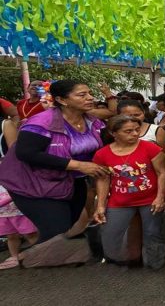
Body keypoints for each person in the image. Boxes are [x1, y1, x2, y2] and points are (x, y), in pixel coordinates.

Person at [0, 80, 111, 249]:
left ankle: (39, 256)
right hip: (34, 184)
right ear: (62, 100)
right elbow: (26, 153)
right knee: (57, 229)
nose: (90, 98)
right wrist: (79, 165)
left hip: (74, 182)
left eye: (89, 93)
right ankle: (31, 260)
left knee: (68, 225)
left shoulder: (93, 122)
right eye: (82, 95)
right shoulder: (41, 122)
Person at [92, 115, 165, 268]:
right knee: (111, 231)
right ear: (114, 133)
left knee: (152, 233)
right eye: (128, 131)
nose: (134, 134)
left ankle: (155, 262)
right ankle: (119, 259)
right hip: (119, 201)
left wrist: (160, 197)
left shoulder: (150, 147)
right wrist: (100, 205)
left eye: (137, 130)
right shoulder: (102, 154)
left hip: (149, 199)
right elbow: (103, 179)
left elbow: (162, 173)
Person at [0, 118, 38, 270]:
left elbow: (15, 154)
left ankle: (42, 253)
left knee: (29, 229)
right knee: (9, 231)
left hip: (10, 182)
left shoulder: (5, 124)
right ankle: (15, 256)